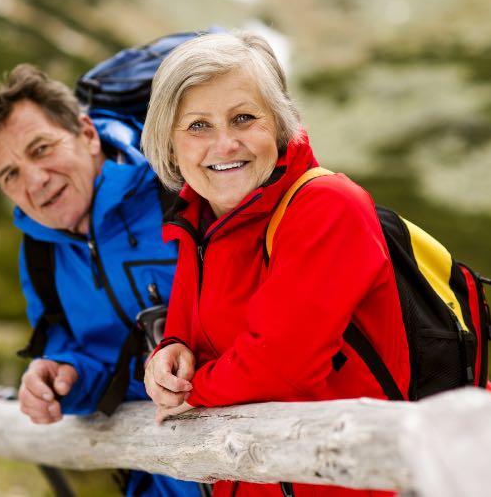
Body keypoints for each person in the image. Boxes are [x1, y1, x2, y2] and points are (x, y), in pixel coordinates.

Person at [141, 31, 411, 496]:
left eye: (243, 118)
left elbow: (282, 364)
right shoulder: (199, 218)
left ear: (281, 124)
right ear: (170, 145)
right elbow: (187, 327)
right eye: (198, 125)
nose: (224, 144)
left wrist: (190, 392)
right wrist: (169, 354)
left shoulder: (328, 206)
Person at [0, 64, 201, 497]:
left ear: (87, 134)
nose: (35, 181)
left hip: (264, 467)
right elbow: (91, 361)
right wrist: (62, 377)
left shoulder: (178, 185)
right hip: (160, 481)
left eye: (41, 149)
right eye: (10, 175)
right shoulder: (39, 254)